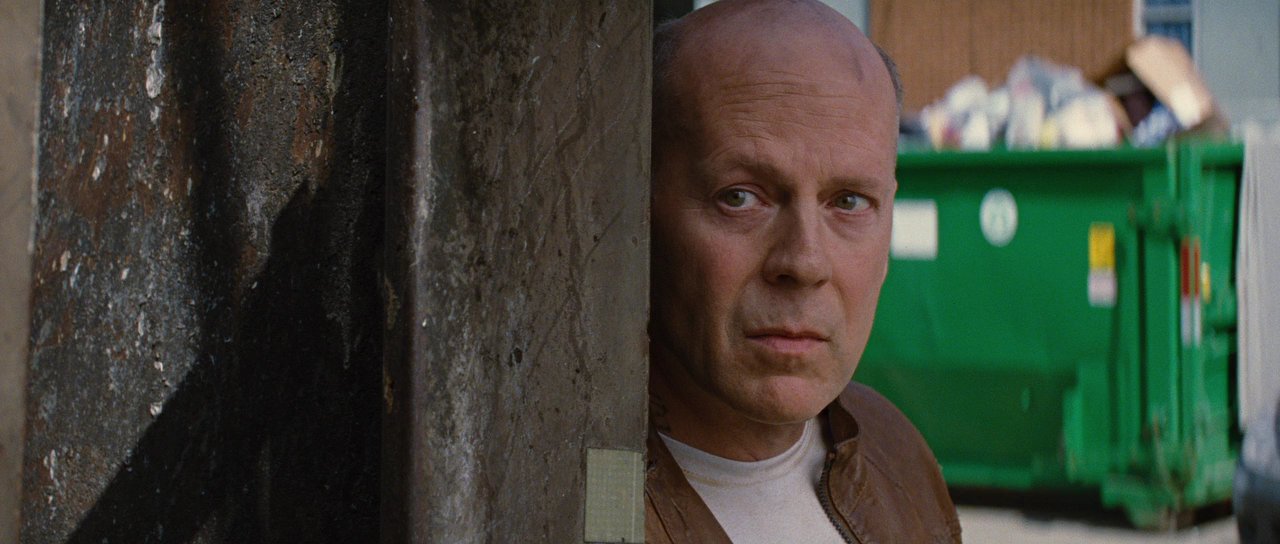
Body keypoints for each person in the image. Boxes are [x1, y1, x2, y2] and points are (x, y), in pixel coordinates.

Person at [645, 1, 962, 542]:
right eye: (740, 197)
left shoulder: (895, 452)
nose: (804, 262)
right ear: (641, 213)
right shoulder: (555, 496)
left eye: (849, 202)